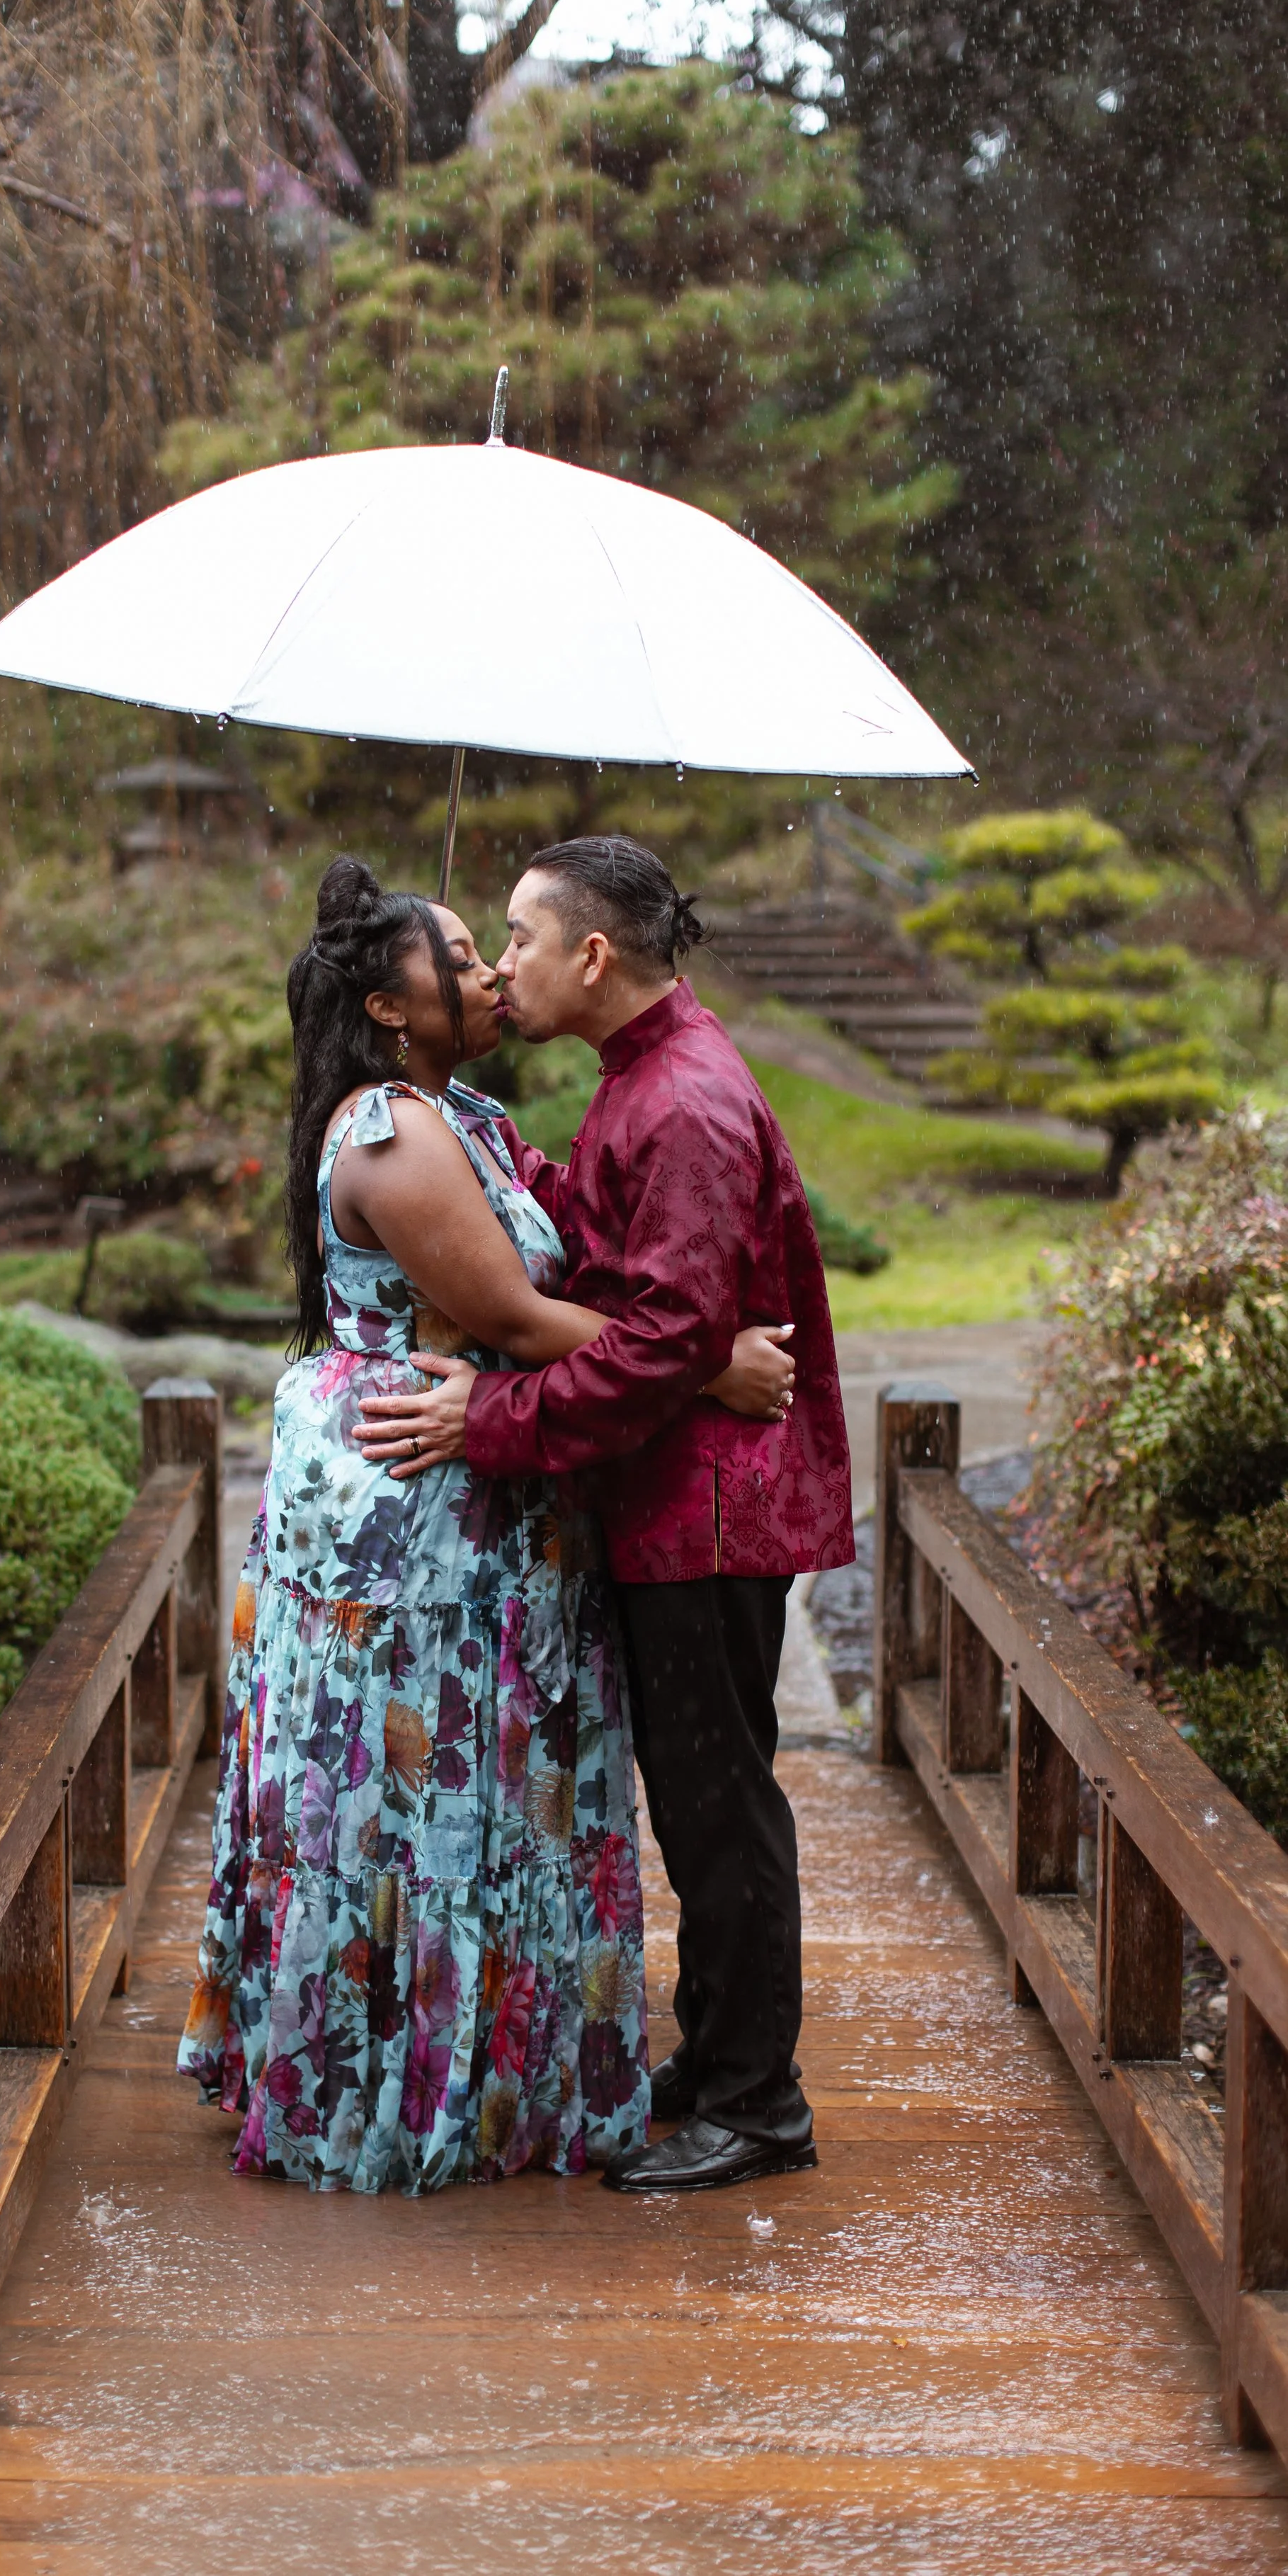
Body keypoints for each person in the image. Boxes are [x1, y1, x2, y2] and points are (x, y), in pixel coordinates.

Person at [176, 854, 794, 2193]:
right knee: (413, 1808)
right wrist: (707, 1364)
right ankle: (400, 2085)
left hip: (491, 1507)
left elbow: (565, 1262)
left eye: (497, 945)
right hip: (413, 1529)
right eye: (458, 955)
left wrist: (675, 1349)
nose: (486, 971)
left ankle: (629, 2074)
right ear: (388, 1007)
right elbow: (512, 1321)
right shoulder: (395, 1136)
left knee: (506, 1797)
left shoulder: (477, 1111)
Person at [357, 836, 853, 2195]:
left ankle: (761, 2104)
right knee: (702, 1797)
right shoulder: (639, 1082)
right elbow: (628, 1271)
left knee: (718, 1806)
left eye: (517, 939)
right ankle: (719, 2057)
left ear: (591, 955)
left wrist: (489, 1422)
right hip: (682, 1489)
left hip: (709, 1504)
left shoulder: (681, 1101)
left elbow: (663, 1336)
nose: (501, 963)